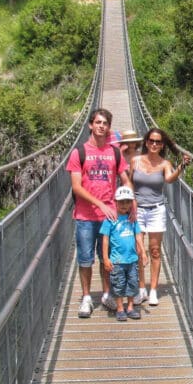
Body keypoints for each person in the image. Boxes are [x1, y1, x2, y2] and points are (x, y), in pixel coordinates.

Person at [66, 109, 131, 318]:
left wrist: (132, 200)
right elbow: (76, 187)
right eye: (98, 122)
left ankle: (106, 294)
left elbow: (125, 178)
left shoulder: (115, 152)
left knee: (107, 259)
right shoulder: (79, 152)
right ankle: (86, 298)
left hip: (109, 216)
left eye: (105, 123)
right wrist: (100, 204)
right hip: (86, 216)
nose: (102, 126)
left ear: (109, 127)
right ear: (90, 125)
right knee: (85, 260)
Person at [130, 127, 190, 305]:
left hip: (156, 210)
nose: (154, 144)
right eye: (151, 141)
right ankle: (141, 289)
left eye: (158, 142)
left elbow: (169, 179)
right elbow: (129, 183)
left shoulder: (165, 163)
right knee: (139, 250)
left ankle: (153, 290)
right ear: (146, 142)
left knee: (155, 250)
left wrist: (181, 167)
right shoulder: (135, 161)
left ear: (162, 145)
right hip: (137, 209)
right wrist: (130, 205)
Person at [100, 186, 148, 321]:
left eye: (127, 202)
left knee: (133, 284)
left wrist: (143, 252)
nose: (124, 205)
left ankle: (131, 307)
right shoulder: (110, 219)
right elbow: (105, 239)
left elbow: (138, 236)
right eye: (121, 202)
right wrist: (105, 258)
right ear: (115, 202)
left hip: (132, 259)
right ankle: (120, 308)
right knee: (119, 285)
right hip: (117, 260)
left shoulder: (132, 219)